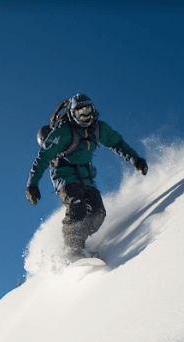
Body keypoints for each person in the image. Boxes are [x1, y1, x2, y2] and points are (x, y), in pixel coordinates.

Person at [26, 94, 148, 259]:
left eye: (88, 111)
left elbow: (116, 142)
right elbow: (43, 157)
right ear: (73, 114)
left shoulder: (98, 128)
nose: (86, 116)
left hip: (86, 177)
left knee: (98, 214)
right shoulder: (63, 132)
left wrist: (134, 158)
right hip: (65, 176)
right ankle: (72, 251)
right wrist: (32, 184)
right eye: (81, 112)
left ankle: (79, 244)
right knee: (77, 207)